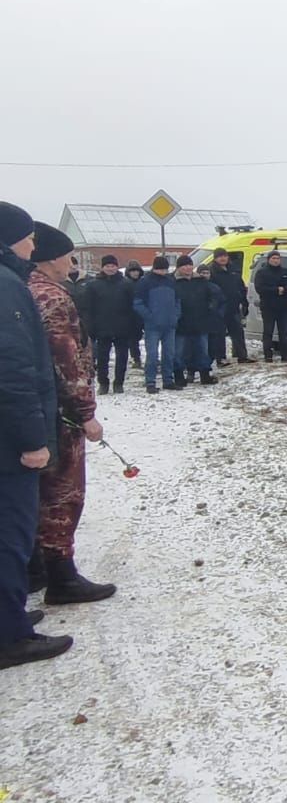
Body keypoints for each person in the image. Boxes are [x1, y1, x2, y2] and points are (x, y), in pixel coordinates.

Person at [27, 222, 115, 607]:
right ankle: (61, 575)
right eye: (67, 254)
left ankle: (33, 569)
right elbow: (66, 360)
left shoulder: (21, 289)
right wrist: (85, 412)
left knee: (32, 492)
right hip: (59, 413)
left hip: (33, 410)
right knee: (62, 492)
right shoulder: (51, 298)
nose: (71, 261)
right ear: (50, 258)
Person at [0, 203, 71, 669]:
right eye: (27, 236)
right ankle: (10, 635)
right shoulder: (8, 287)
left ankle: (11, 618)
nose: (32, 245)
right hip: (9, 445)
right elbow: (13, 371)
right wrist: (32, 438)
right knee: (10, 534)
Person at [85, 254, 136, 393]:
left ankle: (119, 383)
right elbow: (89, 308)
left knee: (122, 357)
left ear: (117, 267)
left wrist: (133, 326)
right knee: (102, 358)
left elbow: (133, 307)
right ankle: (103, 383)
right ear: (102, 268)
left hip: (122, 327)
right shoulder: (93, 285)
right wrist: (91, 327)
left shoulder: (126, 284)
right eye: (107, 266)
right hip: (102, 327)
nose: (110, 268)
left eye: (113, 266)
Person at [133, 256, 182, 393]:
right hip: (152, 326)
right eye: (160, 269)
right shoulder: (145, 282)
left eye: (165, 269)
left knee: (169, 354)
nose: (162, 272)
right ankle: (150, 382)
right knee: (152, 355)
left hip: (169, 325)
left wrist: (175, 316)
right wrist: (150, 317)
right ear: (154, 268)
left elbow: (177, 301)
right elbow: (137, 303)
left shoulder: (171, 281)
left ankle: (168, 380)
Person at [172, 255, 221, 386]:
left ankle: (205, 375)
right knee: (179, 352)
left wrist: (211, 307)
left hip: (201, 322)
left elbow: (214, 296)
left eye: (190, 265)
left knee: (203, 351)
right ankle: (178, 376)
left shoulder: (200, 281)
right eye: (184, 266)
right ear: (178, 268)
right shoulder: (173, 282)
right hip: (181, 323)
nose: (188, 268)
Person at [209, 248, 251, 364]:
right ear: (215, 258)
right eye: (220, 256)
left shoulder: (234, 269)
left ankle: (242, 355)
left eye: (224, 256)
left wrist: (244, 301)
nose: (223, 258)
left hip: (234, 306)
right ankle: (220, 358)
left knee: (238, 332)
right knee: (220, 334)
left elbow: (240, 286)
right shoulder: (212, 271)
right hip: (220, 308)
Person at [254, 250, 287, 362]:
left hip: (284, 307)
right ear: (269, 260)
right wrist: (276, 290)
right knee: (268, 331)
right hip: (268, 307)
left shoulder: (286, 272)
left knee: (284, 332)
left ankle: (285, 355)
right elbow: (260, 288)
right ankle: (268, 355)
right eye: (273, 258)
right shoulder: (262, 273)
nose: (276, 260)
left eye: (277, 258)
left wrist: (284, 289)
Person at [123, 260, 145, 368]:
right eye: (133, 271)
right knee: (133, 340)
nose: (135, 273)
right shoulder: (126, 284)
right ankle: (136, 358)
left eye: (137, 271)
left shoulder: (143, 283)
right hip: (131, 315)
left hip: (144, 314)